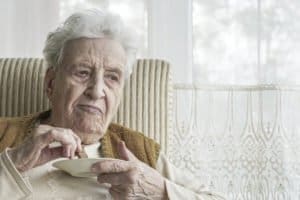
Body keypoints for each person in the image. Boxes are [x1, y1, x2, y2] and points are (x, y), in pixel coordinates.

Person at [0, 10, 226, 200]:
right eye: (82, 72)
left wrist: (160, 190)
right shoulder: (5, 136)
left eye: (112, 77)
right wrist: (11, 167)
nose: (97, 91)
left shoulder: (139, 151)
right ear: (51, 83)